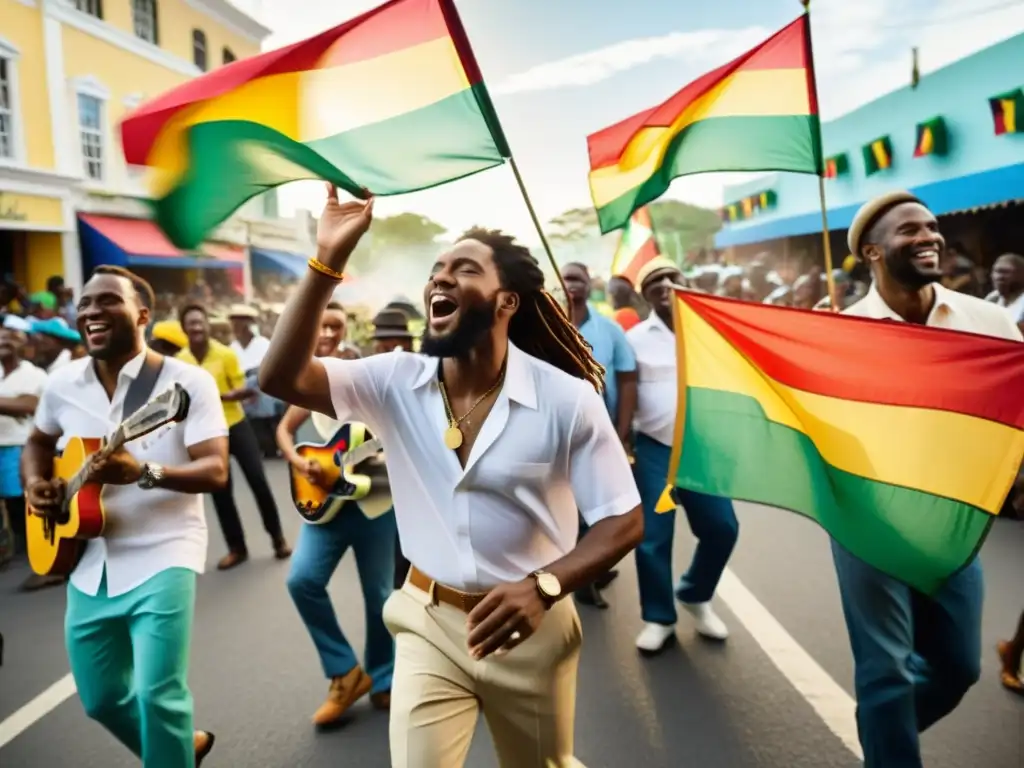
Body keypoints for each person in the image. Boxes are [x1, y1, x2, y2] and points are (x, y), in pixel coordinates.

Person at [259, 188, 643, 768]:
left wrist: (544, 587)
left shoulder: (567, 401)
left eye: (464, 269)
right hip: (427, 621)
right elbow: (281, 376)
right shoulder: (393, 380)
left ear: (506, 301)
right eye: (435, 270)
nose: (440, 280)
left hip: (532, 632)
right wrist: (326, 263)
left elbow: (623, 518)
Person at [837, 191, 1023, 767]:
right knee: (887, 670)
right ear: (872, 251)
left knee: (959, 667)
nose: (929, 238)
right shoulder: (842, 334)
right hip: (869, 521)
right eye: (909, 231)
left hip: (952, 519)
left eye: (932, 227)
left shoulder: (988, 321)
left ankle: (882, 729)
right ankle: (887, 732)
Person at [21, 265, 230, 767]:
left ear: (143, 314)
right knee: (99, 700)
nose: (91, 311)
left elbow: (216, 469)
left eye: (107, 300)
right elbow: (37, 441)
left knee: (160, 696)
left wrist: (144, 472)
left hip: (165, 553)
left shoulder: (186, 382)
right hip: (88, 561)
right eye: (86, 303)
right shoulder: (62, 382)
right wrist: (35, 485)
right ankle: (183, 747)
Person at [277, 302, 395, 727]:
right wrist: (298, 461)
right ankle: (345, 671)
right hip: (324, 510)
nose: (326, 332)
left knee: (380, 595)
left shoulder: (367, 375)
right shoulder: (309, 382)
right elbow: (284, 430)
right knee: (301, 580)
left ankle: (384, 677)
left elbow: (399, 442)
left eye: (334, 325)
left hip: (374, 505)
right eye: (320, 322)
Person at [627, 256, 739, 654]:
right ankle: (659, 618)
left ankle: (694, 592)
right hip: (656, 449)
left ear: (685, 281)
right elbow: (624, 392)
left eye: (672, 276)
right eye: (654, 281)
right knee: (654, 538)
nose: (665, 284)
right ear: (645, 295)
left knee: (722, 528)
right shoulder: (635, 339)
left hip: (702, 450)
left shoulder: (711, 331)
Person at [178, 304, 290, 569]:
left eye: (199, 322)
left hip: (236, 424)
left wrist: (228, 395)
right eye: (190, 323)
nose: (196, 327)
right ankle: (236, 548)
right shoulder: (181, 361)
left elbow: (242, 388)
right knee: (220, 491)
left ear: (207, 325)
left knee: (257, 481)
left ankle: (278, 538)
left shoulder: (225, 354)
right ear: (184, 328)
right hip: (207, 432)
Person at [560, 261, 638, 608]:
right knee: (569, 509)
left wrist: (622, 432)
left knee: (606, 508)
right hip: (558, 436)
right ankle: (582, 579)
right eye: (566, 278)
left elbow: (628, 379)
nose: (571, 284)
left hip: (600, 435)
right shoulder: (541, 328)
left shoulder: (609, 330)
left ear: (590, 285)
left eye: (578, 278)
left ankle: (594, 566)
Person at [0, 322, 49, 589]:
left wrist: (14, 403)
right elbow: (15, 404)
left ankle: (33, 552)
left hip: (18, 444)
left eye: (10, 339)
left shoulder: (34, 374)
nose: (3, 343)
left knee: (21, 501)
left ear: (22, 343)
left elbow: (27, 405)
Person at [229, 304, 279, 458]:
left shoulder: (262, 344)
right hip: (239, 390)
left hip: (260, 388)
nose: (237, 328)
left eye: (241, 324)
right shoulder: (233, 347)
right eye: (234, 324)